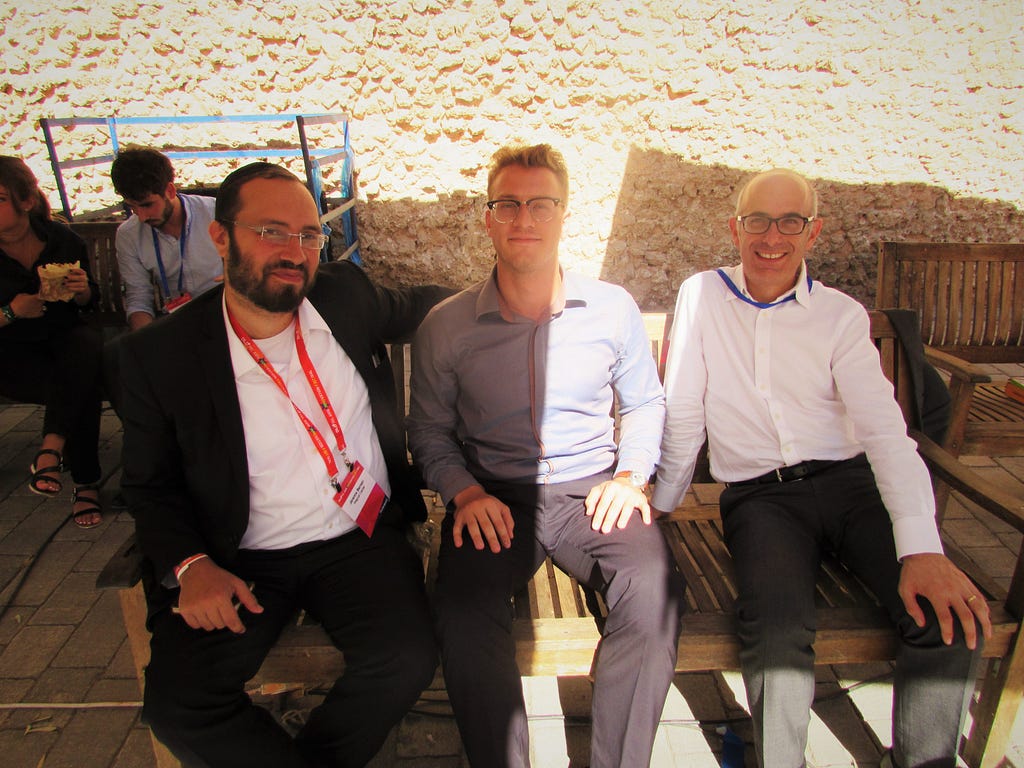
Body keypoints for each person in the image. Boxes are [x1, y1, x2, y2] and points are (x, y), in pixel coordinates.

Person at [650, 168, 992, 768]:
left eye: (791, 221)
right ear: (736, 227)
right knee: (777, 637)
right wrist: (663, 507)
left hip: (850, 484)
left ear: (814, 232)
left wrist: (924, 548)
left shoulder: (839, 316)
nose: (771, 236)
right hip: (761, 501)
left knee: (946, 617)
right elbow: (682, 410)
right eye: (757, 220)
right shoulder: (702, 295)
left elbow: (887, 432)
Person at [115, 162, 448, 767]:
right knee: (179, 704)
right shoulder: (157, 357)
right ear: (221, 238)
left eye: (308, 235)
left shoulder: (344, 296)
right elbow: (148, 485)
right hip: (239, 557)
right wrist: (190, 566)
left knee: (405, 659)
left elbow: (422, 306)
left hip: (359, 536)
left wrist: (511, 295)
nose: (294, 252)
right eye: (272, 231)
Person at [407, 143, 685, 768]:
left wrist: (631, 476)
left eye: (540, 204)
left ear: (563, 214)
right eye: (507, 203)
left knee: (655, 589)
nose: (523, 218)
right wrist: (464, 492)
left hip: (594, 493)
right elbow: (428, 431)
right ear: (487, 216)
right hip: (495, 496)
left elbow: (644, 404)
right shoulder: (447, 326)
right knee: (463, 611)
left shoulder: (611, 309)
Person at [0, 156, 104, 528]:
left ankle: (51, 451)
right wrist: (11, 312)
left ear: (26, 202)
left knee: (84, 349)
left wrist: (79, 292)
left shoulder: (63, 240)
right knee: (82, 381)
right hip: (11, 356)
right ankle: (86, 483)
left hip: (63, 344)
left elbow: (89, 302)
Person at [110, 148, 223, 330]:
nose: (141, 216)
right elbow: (138, 298)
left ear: (170, 190)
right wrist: (146, 343)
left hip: (225, 313)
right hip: (176, 321)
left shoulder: (215, 213)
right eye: (132, 207)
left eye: (147, 205)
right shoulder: (128, 234)